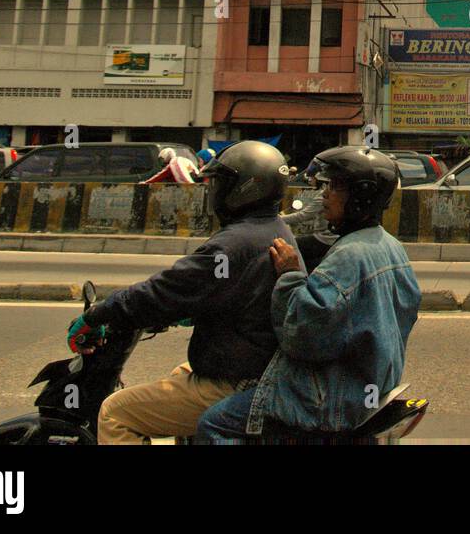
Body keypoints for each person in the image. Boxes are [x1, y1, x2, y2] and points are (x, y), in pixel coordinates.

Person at [66, 140, 298, 443]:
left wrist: (99, 314)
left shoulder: (232, 244)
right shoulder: (274, 228)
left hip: (239, 379)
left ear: (246, 188)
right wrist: (191, 311)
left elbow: (163, 291)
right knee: (179, 374)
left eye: (222, 183)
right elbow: (219, 290)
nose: (215, 191)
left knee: (116, 412)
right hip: (258, 365)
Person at [196, 147, 421, 442]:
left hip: (329, 399)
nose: (325, 194)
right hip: (368, 384)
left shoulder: (349, 256)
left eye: (336, 186)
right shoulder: (389, 246)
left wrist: (290, 275)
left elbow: (301, 336)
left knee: (214, 424)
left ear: (360, 196)